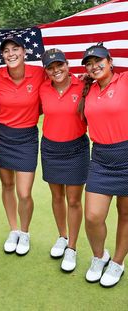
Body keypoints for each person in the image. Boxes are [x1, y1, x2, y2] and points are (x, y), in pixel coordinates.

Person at [79, 43, 128, 287]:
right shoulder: (87, 89)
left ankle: (118, 262)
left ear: (110, 61)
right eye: (88, 63)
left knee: (126, 214)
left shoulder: (125, 81)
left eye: (98, 61)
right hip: (100, 157)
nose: (93, 66)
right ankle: (100, 257)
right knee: (93, 216)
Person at [0, 36, 45, 256]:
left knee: (24, 192)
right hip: (2, 135)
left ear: (24, 52)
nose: (11, 54)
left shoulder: (39, 73)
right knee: (7, 186)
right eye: (6, 51)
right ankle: (13, 229)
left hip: (26, 137)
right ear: (2, 56)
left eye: (15, 49)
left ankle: (25, 232)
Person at [39, 48, 89, 272]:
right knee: (57, 196)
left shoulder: (84, 86)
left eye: (59, 65)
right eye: (50, 67)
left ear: (67, 65)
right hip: (50, 147)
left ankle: (72, 247)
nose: (55, 70)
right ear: (46, 71)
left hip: (76, 147)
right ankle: (62, 236)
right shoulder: (42, 88)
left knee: (74, 200)